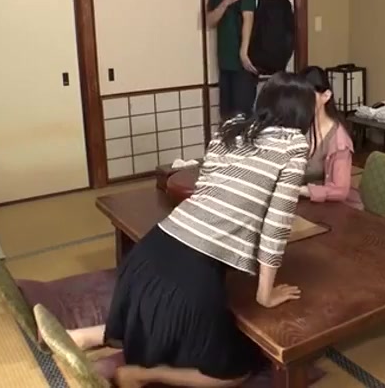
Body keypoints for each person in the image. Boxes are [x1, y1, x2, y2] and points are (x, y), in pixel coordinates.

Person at [61, 72, 316, 388]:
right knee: (234, 370)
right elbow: (276, 226)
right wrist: (265, 295)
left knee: (165, 319)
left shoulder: (232, 129)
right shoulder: (294, 146)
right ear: (303, 113)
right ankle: (138, 375)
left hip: (149, 252)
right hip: (188, 278)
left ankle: (84, 337)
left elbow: (207, 186)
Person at [201, 0, 260, 121]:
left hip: (242, 63)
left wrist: (243, 52)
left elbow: (248, 17)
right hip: (225, 62)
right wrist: (227, 1)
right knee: (226, 115)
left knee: (241, 115)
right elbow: (209, 21)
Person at [296, 66, 363, 210]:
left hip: (330, 206)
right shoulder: (299, 126)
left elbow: (340, 190)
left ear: (326, 96)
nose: (301, 103)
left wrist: (301, 190)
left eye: (307, 96)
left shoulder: (339, 140)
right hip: (301, 202)